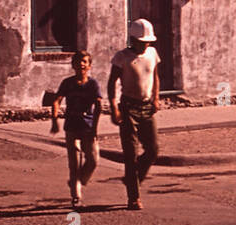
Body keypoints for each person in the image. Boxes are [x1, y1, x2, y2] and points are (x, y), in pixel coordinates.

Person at [108, 18, 161, 210]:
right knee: (130, 154)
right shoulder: (122, 57)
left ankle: (134, 178)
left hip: (147, 107)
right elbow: (112, 82)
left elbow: (155, 76)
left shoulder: (153, 53)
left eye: (147, 41)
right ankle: (134, 197)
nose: (145, 44)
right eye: (142, 41)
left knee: (153, 149)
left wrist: (156, 97)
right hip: (128, 107)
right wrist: (113, 106)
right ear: (133, 39)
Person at [51, 52, 104, 208]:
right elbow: (57, 101)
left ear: (89, 66)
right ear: (73, 65)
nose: (81, 64)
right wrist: (55, 120)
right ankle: (76, 197)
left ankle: (78, 181)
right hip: (72, 126)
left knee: (93, 160)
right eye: (78, 61)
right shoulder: (67, 83)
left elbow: (99, 105)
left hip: (88, 126)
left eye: (84, 62)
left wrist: (95, 128)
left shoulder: (93, 84)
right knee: (74, 163)